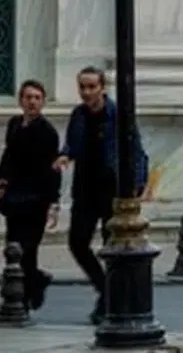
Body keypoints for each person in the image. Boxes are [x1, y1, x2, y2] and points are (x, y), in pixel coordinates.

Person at [54, 66, 149, 325]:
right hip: (85, 188)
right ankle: (105, 290)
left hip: (112, 189)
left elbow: (136, 148)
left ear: (102, 88)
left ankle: (110, 301)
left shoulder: (117, 114)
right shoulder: (79, 114)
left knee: (112, 246)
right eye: (82, 87)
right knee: (77, 242)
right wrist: (65, 155)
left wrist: (138, 184)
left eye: (91, 87)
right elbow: (72, 143)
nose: (86, 92)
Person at [0, 80, 61, 311]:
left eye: (37, 97)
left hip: (36, 198)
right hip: (15, 198)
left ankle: (24, 296)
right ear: (21, 101)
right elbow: (9, 158)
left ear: (43, 102)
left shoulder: (47, 132)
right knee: (13, 246)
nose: (32, 101)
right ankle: (32, 283)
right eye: (28, 97)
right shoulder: (15, 124)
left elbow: (53, 169)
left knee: (28, 248)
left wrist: (53, 203)